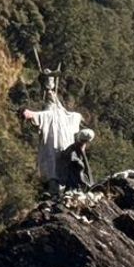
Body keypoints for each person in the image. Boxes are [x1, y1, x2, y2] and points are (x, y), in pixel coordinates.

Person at [20, 65, 90, 194]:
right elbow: (31, 114)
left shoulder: (66, 116)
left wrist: (26, 112)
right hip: (58, 159)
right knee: (58, 180)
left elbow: (30, 114)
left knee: (62, 179)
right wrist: (26, 112)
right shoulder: (61, 116)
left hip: (63, 157)